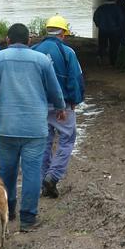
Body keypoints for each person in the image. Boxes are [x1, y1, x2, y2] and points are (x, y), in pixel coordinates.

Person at [0, 23, 66, 232]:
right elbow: (54, 89)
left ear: (7, 40)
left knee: (7, 171)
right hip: (34, 128)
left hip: (5, 126)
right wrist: (60, 108)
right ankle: (28, 219)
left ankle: (8, 211)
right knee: (32, 173)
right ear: (29, 41)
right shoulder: (42, 60)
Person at [31, 15, 85, 198]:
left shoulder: (34, 50)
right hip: (62, 105)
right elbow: (75, 79)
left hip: (38, 106)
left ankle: (43, 182)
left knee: (44, 143)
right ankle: (53, 176)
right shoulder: (67, 52)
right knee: (67, 139)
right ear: (63, 33)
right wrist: (75, 100)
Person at [92, 0, 124, 66]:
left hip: (103, 29)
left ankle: (100, 56)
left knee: (102, 45)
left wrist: (98, 25)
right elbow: (121, 19)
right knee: (114, 46)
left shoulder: (101, 7)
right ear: (115, 0)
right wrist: (118, 27)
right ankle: (113, 62)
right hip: (114, 30)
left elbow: (95, 17)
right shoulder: (117, 8)